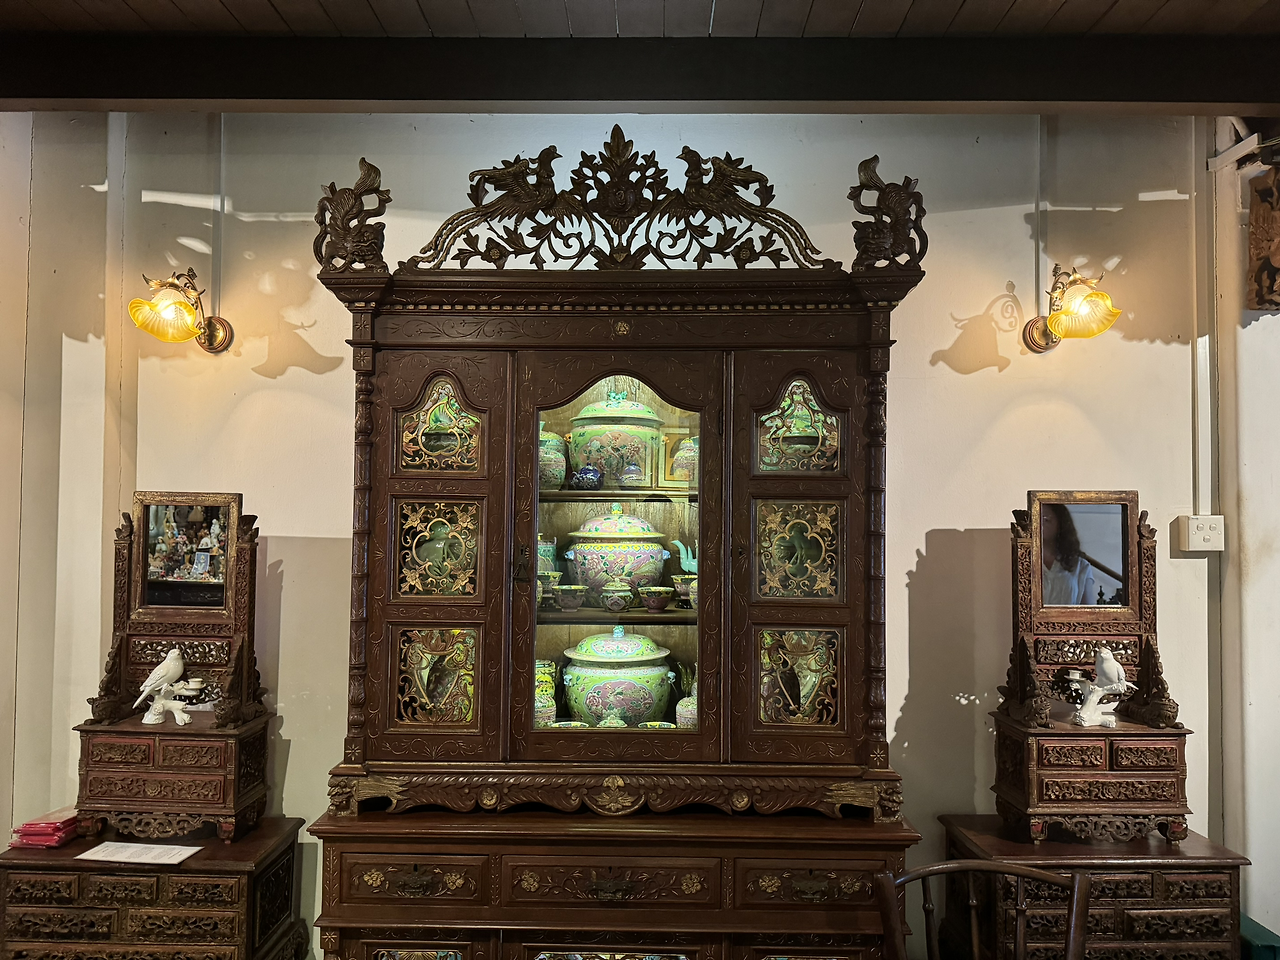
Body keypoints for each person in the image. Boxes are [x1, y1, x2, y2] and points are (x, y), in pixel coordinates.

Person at [1041, 503, 1097, 605]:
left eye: (1046, 519)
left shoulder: (1080, 566)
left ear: (1060, 523)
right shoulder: (1025, 561)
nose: (1040, 524)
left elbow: (1088, 609)